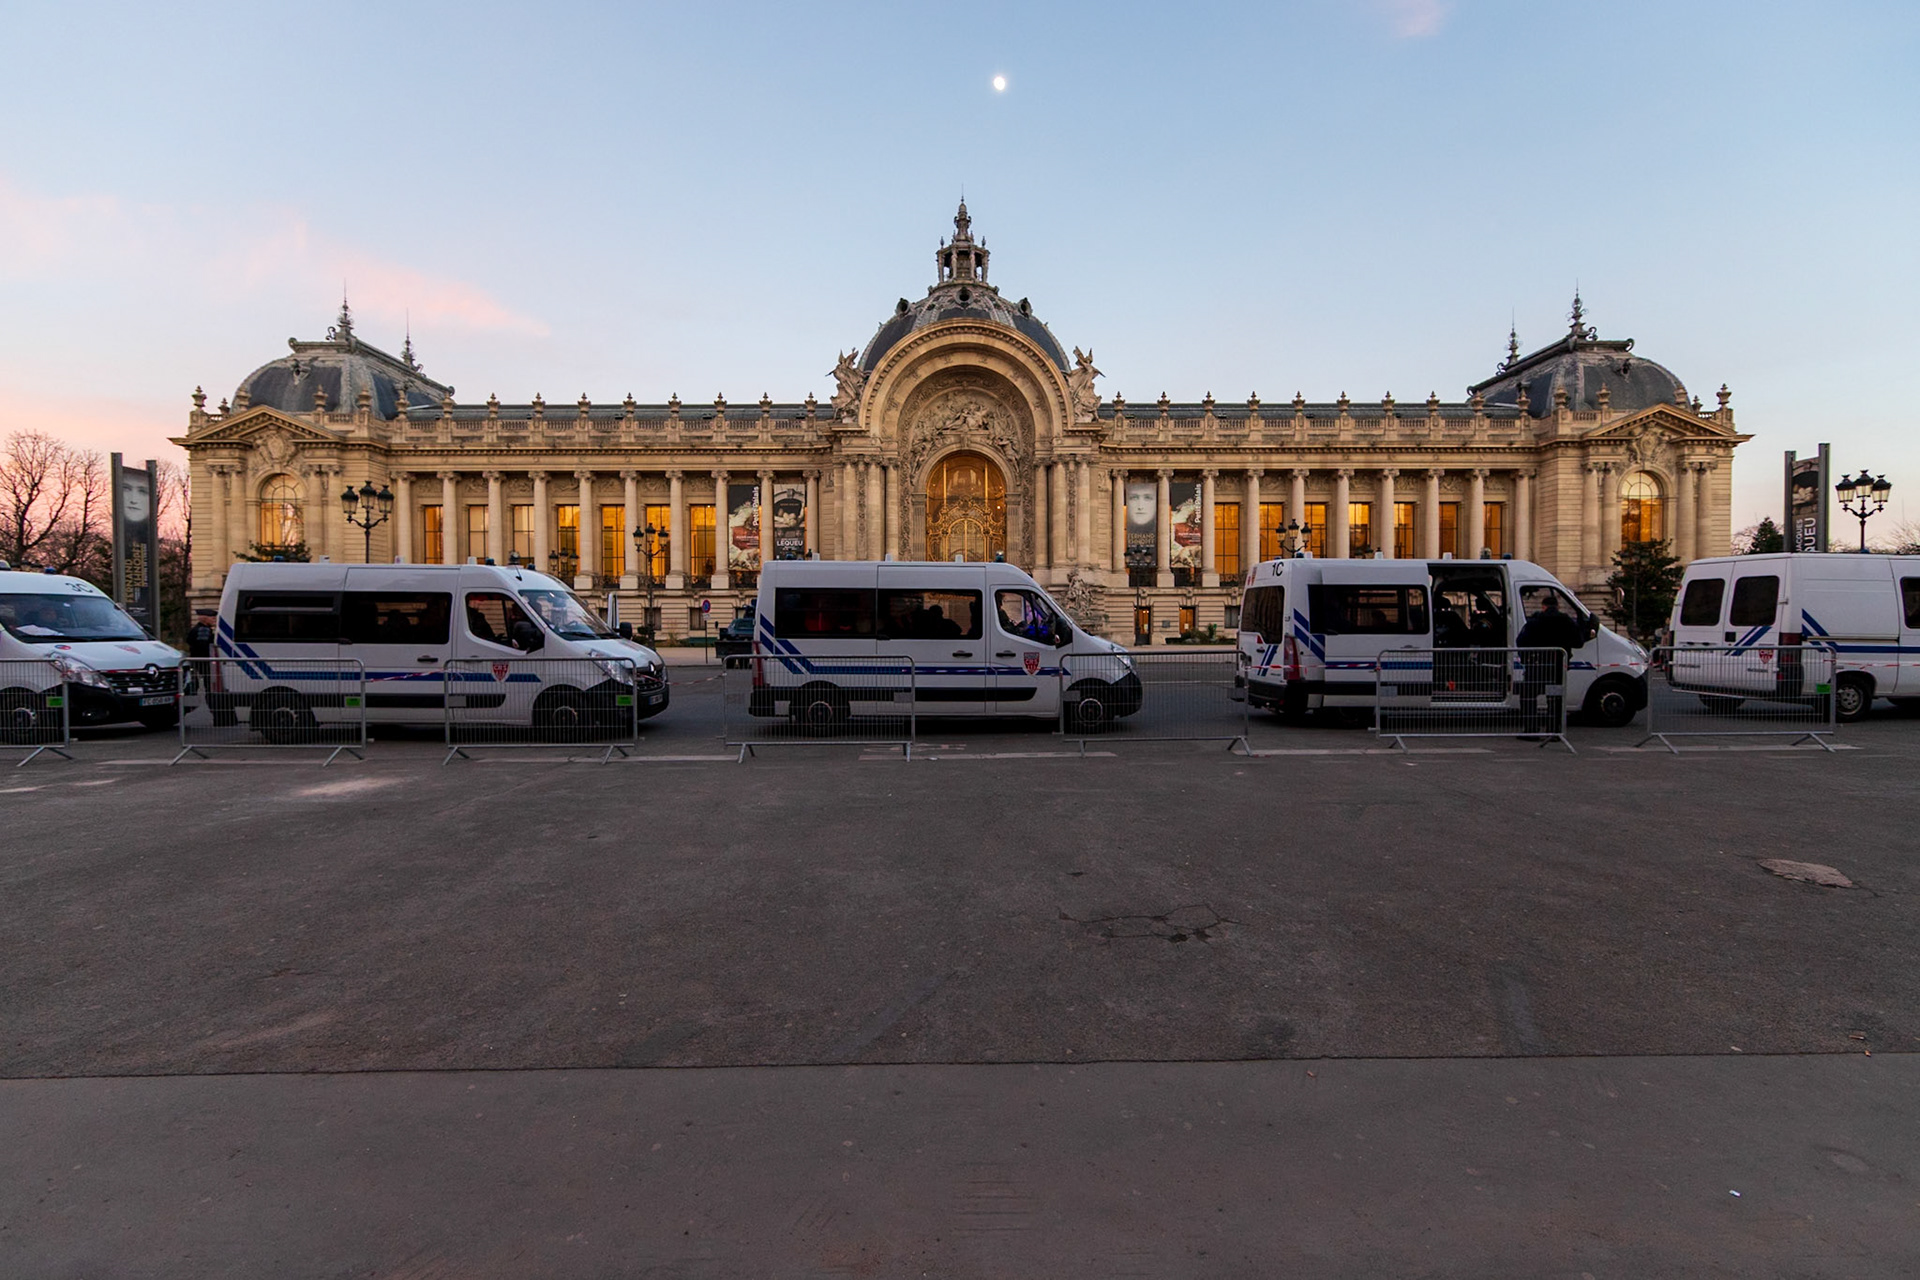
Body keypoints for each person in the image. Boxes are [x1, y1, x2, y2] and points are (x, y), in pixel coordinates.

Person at [1516, 592, 1584, 730]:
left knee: (1529, 696)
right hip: (1556, 666)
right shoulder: (1566, 621)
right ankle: (1553, 730)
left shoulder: (1535, 620)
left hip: (1536, 664)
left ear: (1543, 607)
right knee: (1554, 697)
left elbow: (1521, 640)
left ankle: (1531, 729)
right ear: (1557, 606)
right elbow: (1578, 642)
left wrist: (1525, 658)